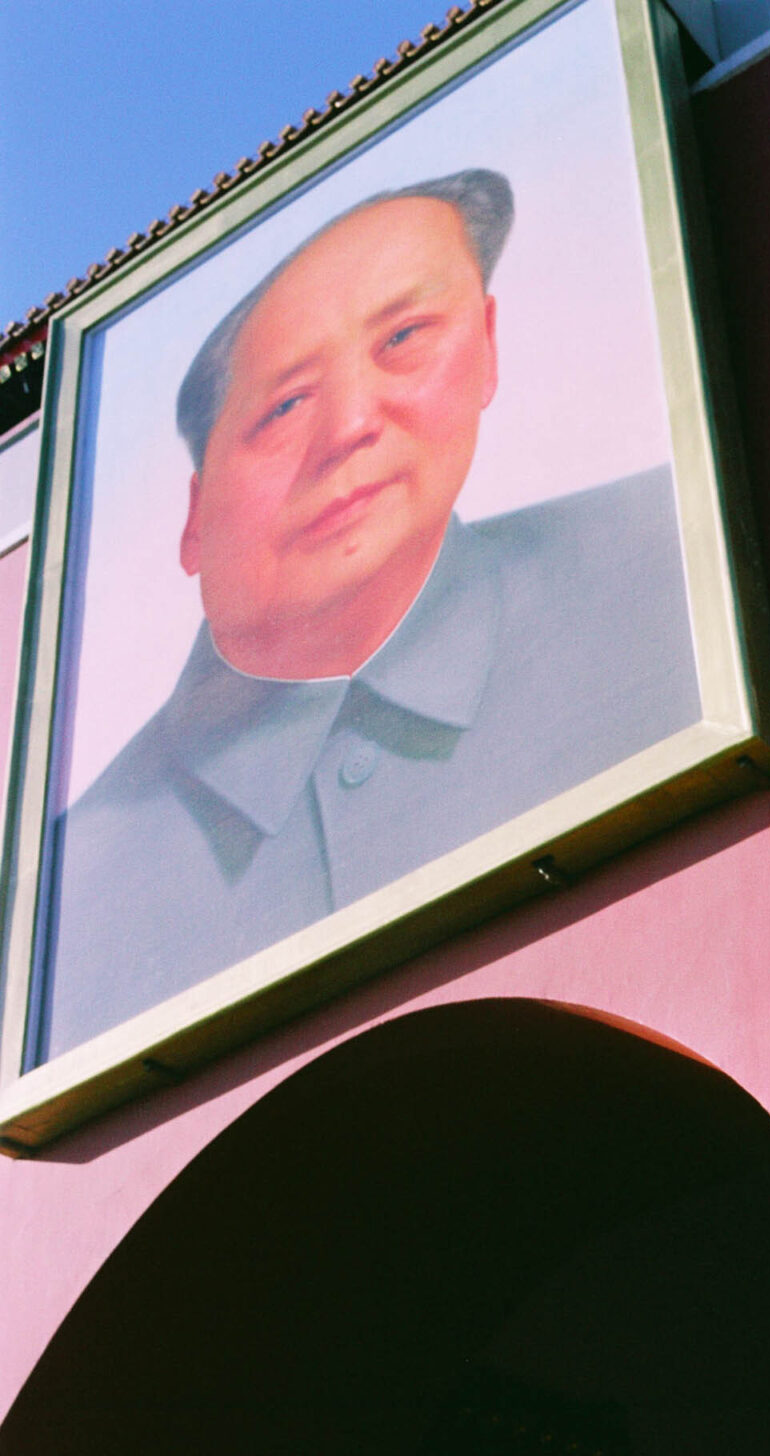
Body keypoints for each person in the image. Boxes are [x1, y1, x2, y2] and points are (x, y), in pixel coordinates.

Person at [45, 166, 702, 1058]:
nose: (352, 423)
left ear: (488, 342)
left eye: (404, 338)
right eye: (284, 405)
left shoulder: (663, 558)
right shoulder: (66, 896)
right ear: (194, 515)